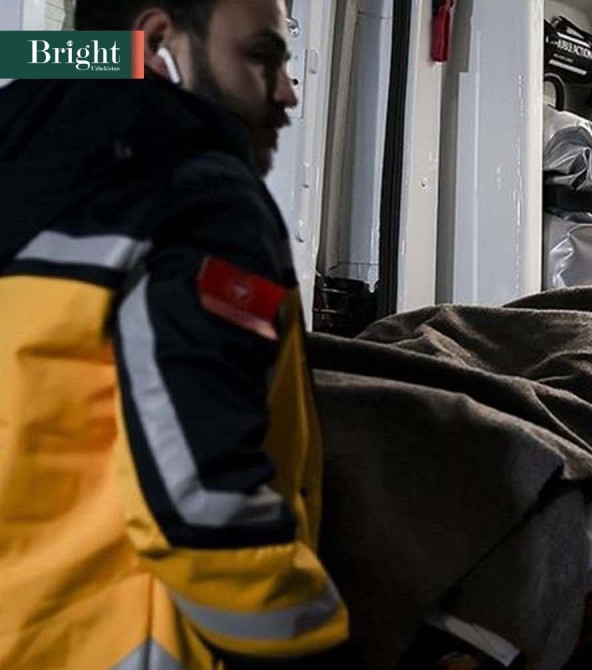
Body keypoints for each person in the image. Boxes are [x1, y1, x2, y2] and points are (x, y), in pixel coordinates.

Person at [0, 1, 348, 667]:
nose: (287, 92)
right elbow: (203, 504)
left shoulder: (23, 147)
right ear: (158, 41)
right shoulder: (199, 195)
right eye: (262, 57)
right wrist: (313, 645)